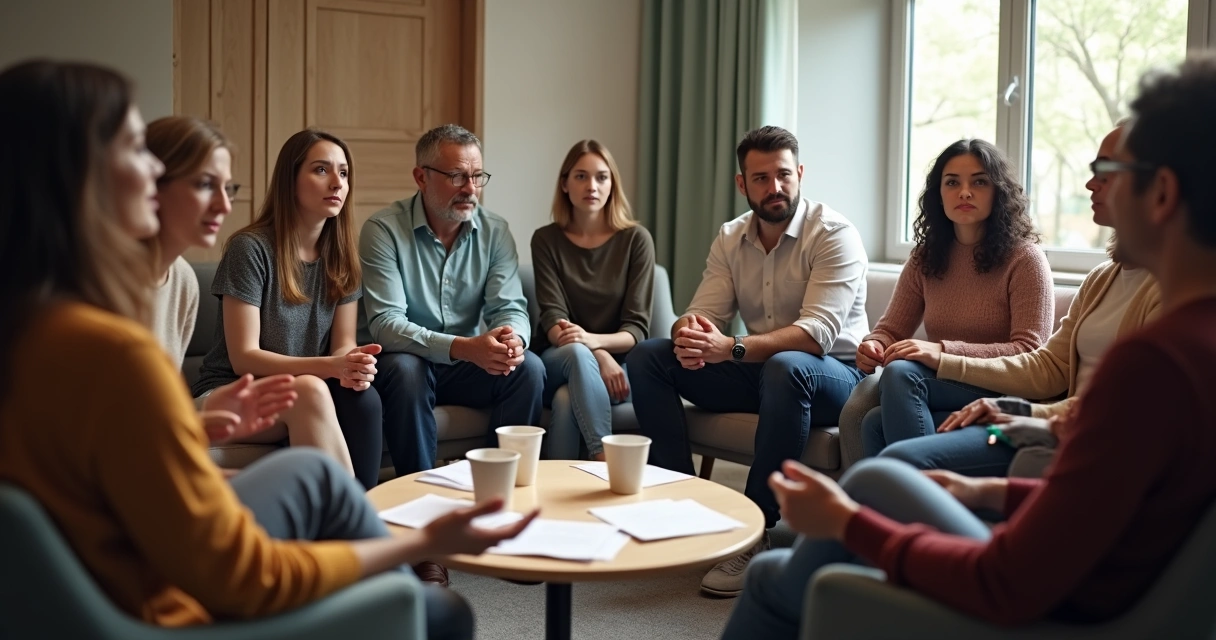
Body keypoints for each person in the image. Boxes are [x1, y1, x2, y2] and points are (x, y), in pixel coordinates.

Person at [0, 58, 535, 640]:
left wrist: (192, 436)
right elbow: (244, 575)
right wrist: (424, 542)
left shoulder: (36, 323)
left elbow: (113, 472)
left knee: (315, 469)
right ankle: (402, 575)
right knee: (441, 615)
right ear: (78, 172)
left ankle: (382, 547)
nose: (156, 169)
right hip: (168, 607)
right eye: (136, 149)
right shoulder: (117, 351)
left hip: (134, 549)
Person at [720, 55, 1216, 638]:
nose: (1089, 184)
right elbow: (1106, 496)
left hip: (1063, 608)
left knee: (861, 498)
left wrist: (850, 524)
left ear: (1161, 191)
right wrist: (986, 478)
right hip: (1086, 571)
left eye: (1108, 169)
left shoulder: (1157, 361)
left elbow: (1006, 580)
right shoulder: (1172, 333)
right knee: (863, 481)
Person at [627, 125, 870, 597]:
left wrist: (730, 347)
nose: (773, 187)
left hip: (836, 378)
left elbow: (816, 335)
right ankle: (684, 507)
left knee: (787, 366)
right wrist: (689, 332)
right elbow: (703, 311)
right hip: (766, 373)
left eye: (783, 175)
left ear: (800, 173)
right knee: (649, 356)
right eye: (760, 178)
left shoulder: (834, 233)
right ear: (742, 184)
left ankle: (756, 529)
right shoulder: (731, 236)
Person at [879, 124, 1161, 477]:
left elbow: (1128, 406)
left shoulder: (1170, 291)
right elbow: (1049, 367)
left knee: (899, 453)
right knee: (874, 424)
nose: (1090, 183)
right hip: (1051, 416)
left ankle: (914, 520)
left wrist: (1021, 411)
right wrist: (888, 345)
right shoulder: (1103, 277)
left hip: (1082, 435)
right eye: (952, 182)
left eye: (1107, 170)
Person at [190, 129, 384, 491]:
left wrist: (352, 363)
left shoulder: (342, 258)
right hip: (228, 392)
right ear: (290, 180)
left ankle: (359, 513)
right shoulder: (250, 249)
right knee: (311, 390)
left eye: (343, 173)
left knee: (361, 397)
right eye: (321, 170)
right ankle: (359, 525)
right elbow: (244, 358)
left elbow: (342, 344)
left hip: (301, 393)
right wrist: (328, 366)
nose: (337, 183)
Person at [361, 123, 544, 478]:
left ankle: (496, 485)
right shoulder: (382, 230)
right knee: (406, 369)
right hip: (405, 362)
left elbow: (509, 307)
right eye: (458, 177)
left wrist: (511, 340)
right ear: (421, 177)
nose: (471, 189)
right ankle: (421, 489)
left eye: (477, 176)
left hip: (463, 364)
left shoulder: (495, 231)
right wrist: (465, 347)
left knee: (529, 368)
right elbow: (386, 326)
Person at [856, 139, 1053, 458]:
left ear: (998, 192)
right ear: (939, 194)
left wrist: (942, 351)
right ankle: (912, 502)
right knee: (873, 423)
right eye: (952, 183)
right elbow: (891, 329)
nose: (964, 192)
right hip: (944, 388)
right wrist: (874, 345)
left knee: (902, 374)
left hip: (1002, 388)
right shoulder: (925, 257)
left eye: (979, 181)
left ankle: (921, 496)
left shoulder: (1025, 259)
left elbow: (1029, 352)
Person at [145, 115, 298, 454]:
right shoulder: (98, 281)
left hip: (154, 450)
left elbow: (155, 414)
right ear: (151, 183)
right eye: (204, 184)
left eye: (228, 188)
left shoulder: (182, 280)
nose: (225, 205)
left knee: (310, 472)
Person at [531, 140, 655, 461]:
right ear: (565, 183)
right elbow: (554, 321)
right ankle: (603, 458)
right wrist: (597, 352)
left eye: (602, 177)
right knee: (575, 353)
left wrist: (594, 344)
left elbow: (637, 329)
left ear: (612, 185)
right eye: (581, 176)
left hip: (621, 365)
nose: (592, 186)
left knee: (563, 400)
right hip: (560, 356)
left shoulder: (635, 240)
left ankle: (556, 493)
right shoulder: (546, 239)